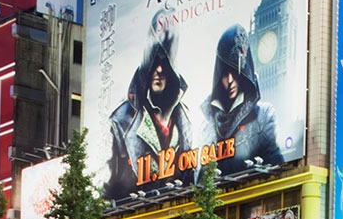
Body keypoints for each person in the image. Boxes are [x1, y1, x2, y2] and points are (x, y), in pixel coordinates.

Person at [107, 11, 199, 202]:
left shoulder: (185, 118)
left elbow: (191, 177)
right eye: (154, 62)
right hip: (132, 216)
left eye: (164, 62)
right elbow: (109, 186)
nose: (158, 70)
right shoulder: (121, 119)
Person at [207, 24, 282, 176]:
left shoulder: (264, 115)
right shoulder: (207, 124)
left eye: (235, 73)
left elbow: (276, 167)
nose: (230, 81)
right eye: (224, 74)